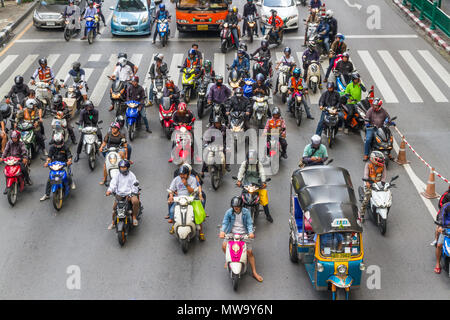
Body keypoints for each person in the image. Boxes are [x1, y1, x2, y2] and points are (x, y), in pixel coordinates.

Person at [219, 196, 263, 282]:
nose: (236, 208)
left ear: (241, 206)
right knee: (224, 246)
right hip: (232, 233)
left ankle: (254, 272)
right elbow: (225, 222)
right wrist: (222, 231)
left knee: (249, 252)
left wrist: (250, 233)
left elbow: (250, 224)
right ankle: (228, 259)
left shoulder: (246, 212)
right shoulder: (229, 212)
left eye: (238, 207)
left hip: (244, 234)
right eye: (234, 207)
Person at [167, 165, 207, 238]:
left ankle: (201, 233)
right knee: (172, 211)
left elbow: (193, 191)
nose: (182, 176)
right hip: (179, 200)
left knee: (197, 213)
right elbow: (171, 190)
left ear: (188, 174)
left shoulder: (192, 179)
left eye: (184, 174)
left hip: (190, 199)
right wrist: (171, 196)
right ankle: (174, 225)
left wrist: (186, 185)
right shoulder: (176, 179)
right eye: (181, 174)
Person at [237, 149, 273, 223]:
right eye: (249, 158)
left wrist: (263, 182)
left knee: (264, 199)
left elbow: (262, 172)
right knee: (241, 199)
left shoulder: (258, 164)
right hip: (247, 184)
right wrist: (239, 180)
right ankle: (238, 215)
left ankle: (268, 215)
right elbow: (241, 171)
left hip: (257, 185)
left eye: (252, 158)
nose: (251, 160)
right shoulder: (245, 164)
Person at [106, 159, 141, 228]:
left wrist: (133, 193)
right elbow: (113, 184)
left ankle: (134, 217)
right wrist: (109, 190)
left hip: (130, 194)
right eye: (121, 167)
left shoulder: (131, 175)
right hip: (119, 194)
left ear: (127, 167)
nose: (122, 169)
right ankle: (113, 222)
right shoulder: (117, 175)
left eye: (124, 167)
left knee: (135, 201)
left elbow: (135, 185)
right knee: (114, 208)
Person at [39, 134, 74, 201]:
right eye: (56, 142)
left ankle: (71, 183)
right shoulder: (52, 148)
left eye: (59, 142)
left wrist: (69, 160)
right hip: (55, 165)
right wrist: (47, 162)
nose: (58, 144)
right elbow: (49, 157)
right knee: (50, 179)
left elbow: (69, 156)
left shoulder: (65, 147)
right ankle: (47, 194)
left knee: (68, 176)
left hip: (64, 164)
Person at [359, 151, 386, 221]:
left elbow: (383, 177)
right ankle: (361, 214)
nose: (381, 162)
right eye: (379, 160)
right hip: (369, 183)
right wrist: (367, 182)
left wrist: (383, 184)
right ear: (373, 159)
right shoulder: (368, 165)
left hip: (379, 184)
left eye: (381, 160)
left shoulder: (383, 166)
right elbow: (365, 175)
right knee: (366, 198)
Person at [433, 202, 450, 273]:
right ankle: (437, 264)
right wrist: (440, 227)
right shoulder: (446, 206)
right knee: (439, 245)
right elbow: (441, 218)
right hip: (446, 228)